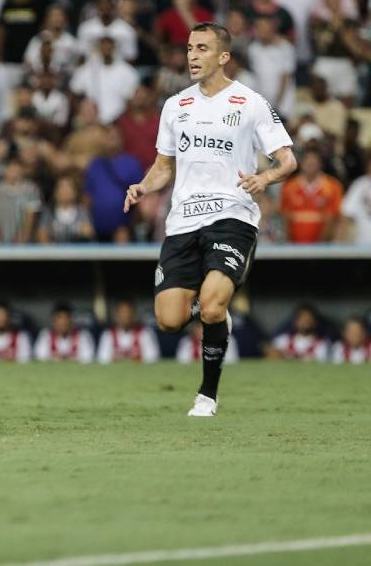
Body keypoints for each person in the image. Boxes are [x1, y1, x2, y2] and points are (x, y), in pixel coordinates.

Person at [124, 22, 296, 417]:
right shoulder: (176, 105)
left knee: (213, 307)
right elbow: (164, 166)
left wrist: (265, 177)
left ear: (223, 56)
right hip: (183, 221)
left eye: (201, 48)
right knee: (169, 320)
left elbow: (287, 159)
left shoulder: (249, 102)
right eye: (188, 48)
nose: (191, 56)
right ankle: (214, 315)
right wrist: (144, 187)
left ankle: (207, 395)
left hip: (233, 216)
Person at [96, 299, 160, 364]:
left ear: (134, 314)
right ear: (116, 315)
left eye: (128, 312)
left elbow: (152, 360)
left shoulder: (145, 333)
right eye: (122, 313)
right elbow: (102, 361)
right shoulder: (108, 335)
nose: (126, 316)